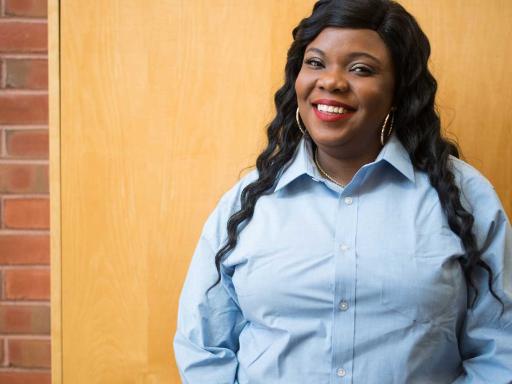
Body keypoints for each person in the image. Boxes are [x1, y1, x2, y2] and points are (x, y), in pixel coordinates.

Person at [173, 0, 512, 382]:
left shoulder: (464, 196)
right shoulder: (248, 202)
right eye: (315, 63)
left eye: (361, 69)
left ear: (398, 91)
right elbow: (203, 345)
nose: (331, 81)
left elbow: (501, 347)